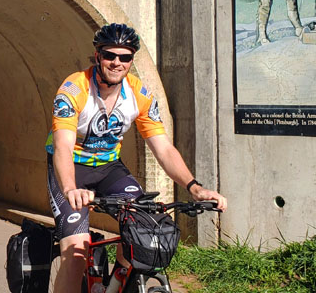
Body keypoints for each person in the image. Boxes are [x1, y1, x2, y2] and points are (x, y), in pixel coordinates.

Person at [46, 23, 227, 293]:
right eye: (110, 55)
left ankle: (117, 281)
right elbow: (62, 146)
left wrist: (194, 187)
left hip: (109, 168)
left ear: (131, 60)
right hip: (71, 169)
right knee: (75, 254)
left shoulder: (139, 95)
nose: (117, 63)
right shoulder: (74, 89)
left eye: (125, 57)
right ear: (98, 56)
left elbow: (163, 147)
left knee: (143, 227)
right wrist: (71, 189)